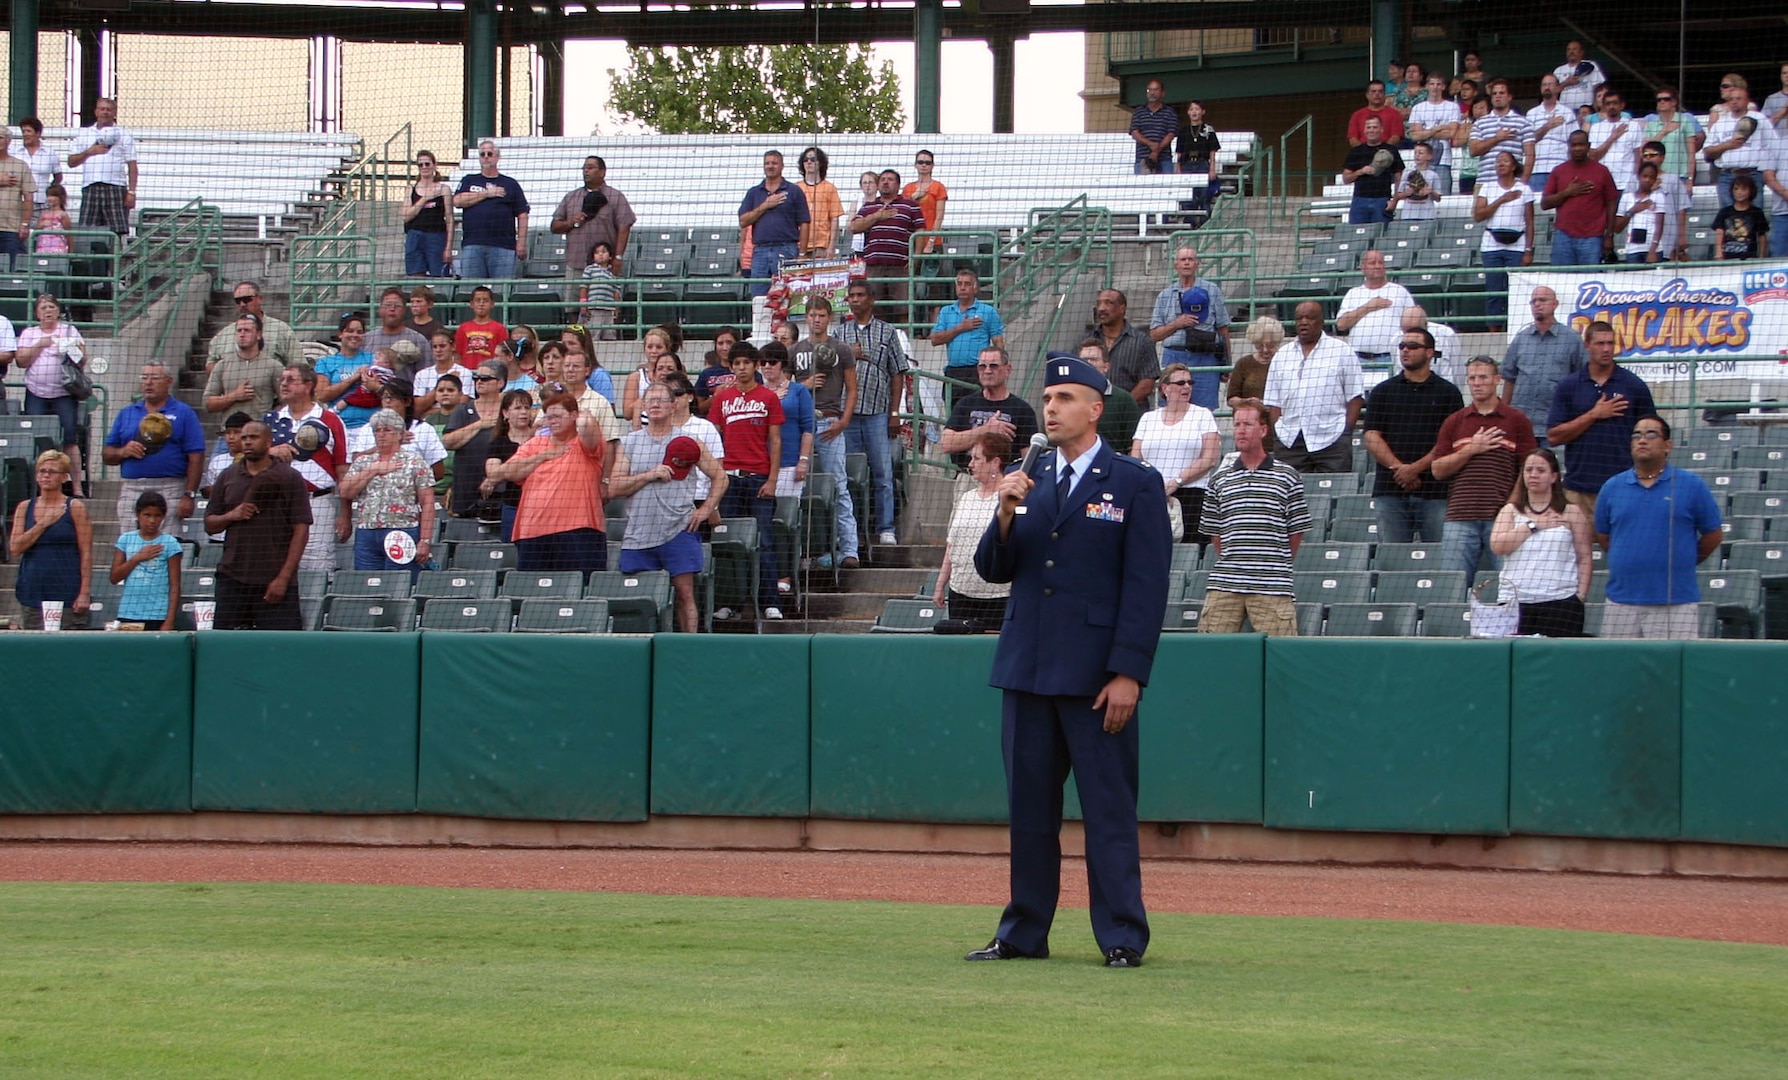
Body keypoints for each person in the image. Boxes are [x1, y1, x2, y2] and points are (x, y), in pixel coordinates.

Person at [965, 355, 1171, 970]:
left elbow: (1146, 587)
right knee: (1029, 815)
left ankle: (1123, 936)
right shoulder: (1030, 478)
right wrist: (1002, 513)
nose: (1050, 408)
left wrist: (1129, 672)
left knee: (1107, 810)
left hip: (1096, 678)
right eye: (1048, 397)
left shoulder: (1134, 482)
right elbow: (993, 571)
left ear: (1095, 408)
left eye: (1064, 397)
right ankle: (1023, 932)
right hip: (1027, 671)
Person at [611, 383, 727, 632]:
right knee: (638, 599)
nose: (654, 404)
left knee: (685, 595)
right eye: (650, 400)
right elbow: (615, 487)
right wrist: (649, 475)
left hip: (678, 530)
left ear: (673, 405)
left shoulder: (689, 441)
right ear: (643, 406)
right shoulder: (630, 442)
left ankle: (690, 650)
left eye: (661, 400)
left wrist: (706, 509)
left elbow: (721, 477)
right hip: (638, 535)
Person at [1593, 416, 1723, 639]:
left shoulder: (1691, 485)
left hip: (1675, 602)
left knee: (1671, 671)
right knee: (1618, 670)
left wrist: (1682, 559)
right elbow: (1603, 536)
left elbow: (1713, 535)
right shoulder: (1612, 487)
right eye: (1637, 435)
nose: (1642, 440)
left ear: (1667, 446)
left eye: (1651, 434)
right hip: (1621, 602)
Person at [1198, 399, 1312, 636]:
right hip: (1225, 584)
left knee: (1280, 656)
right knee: (1210, 655)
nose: (1240, 429)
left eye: (1247, 424)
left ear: (1263, 429)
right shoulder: (1219, 480)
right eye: (1237, 424)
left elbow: (1296, 530)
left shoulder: (1287, 476)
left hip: (1273, 585)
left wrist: (1274, 565)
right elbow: (1214, 531)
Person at [1430, 356, 1537, 580]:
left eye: (1483, 377)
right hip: (1459, 517)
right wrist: (1471, 449)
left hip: (1502, 518)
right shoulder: (1455, 421)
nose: (1477, 383)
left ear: (1497, 379)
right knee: (1453, 586)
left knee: (1509, 583)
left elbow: (1528, 468)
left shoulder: (1517, 420)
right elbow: (1437, 470)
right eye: (1472, 378)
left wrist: (1511, 507)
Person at [202, 420, 310, 631]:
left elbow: (301, 529)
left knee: (281, 649)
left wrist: (284, 577)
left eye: (253, 437)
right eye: (244, 438)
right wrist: (232, 515)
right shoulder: (227, 476)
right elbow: (210, 524)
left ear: (269, 441)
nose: (247, 442)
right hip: (233, 577)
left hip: (273, 579)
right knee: (226, 648)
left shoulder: (290, 477)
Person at [1547, 321, 1657, 519]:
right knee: (1578, 550)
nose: (1606, 349)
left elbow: (1653, 434)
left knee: (1621, 549)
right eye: (1600, 343)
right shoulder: (1569, 386)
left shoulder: (1634, 386)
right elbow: (1554, 436)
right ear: (1587, 345)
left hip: (1624, 488)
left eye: (1610, 343)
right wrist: (1594, 414)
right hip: (1578, 490)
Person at [1362, 328, 1461, 545]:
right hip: (1389, 490)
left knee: (1438, 561)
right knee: (1393, 561)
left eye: (1413, 346)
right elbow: (1371, 436)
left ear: (1430, 352)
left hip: (1435, 492)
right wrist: (1400, 468)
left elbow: (1450, 442)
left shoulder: (1449, 393)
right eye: (1402, 346)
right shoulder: (1382, 391)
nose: (1405, 350)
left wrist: (1414, 469)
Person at [490, 391, 607, 573]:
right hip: (532, 531)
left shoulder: (584, 444)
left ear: (574, 416)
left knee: (577, 588)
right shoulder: (535, 444)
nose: (552, 421)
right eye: (549, 417)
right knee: (532, 593)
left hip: (578, 529)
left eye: (558, 416)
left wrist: (577, 411)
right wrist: (542, 456)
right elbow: (506, 472)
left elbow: (587, 425)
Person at [710, 342, 786, 619]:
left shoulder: (768, 398)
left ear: (755, 365)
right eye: (737, 363)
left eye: (746, 363)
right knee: (728, 542)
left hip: (759, 479)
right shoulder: (721, 399)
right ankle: (728, 602)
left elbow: (776, 440)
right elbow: (714, 439)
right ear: (731, 367)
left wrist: (773, 479)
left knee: (765, 541)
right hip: (729, 480)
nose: (742, 368)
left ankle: (771, 602)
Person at [1489, 448, 1591, 637]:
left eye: (1540, 470)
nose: (1533, 475)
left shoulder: (1571, 512)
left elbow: (1584, 556)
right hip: (1515, 602)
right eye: (1528, 470)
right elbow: (1497, 546)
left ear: (1553, 476)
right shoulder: (1510, 511)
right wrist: (1533, 525)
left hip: (1561, 603)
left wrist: (1580, 596)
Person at [791, 295, 860, 569]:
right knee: (797, 488)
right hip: (801, 425)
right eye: (812, 314)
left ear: (828, 318)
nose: (816, 319)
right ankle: (800, 552)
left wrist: (844, 421)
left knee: (838, 485)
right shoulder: (794, 350)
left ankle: (850, 549)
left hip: (830, 422)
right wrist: (804, 384)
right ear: (806, 317)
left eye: (821, 315)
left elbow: (852, 388)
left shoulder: (841, 349)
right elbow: (783, 389)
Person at [836, 279, 906, 546]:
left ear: (871, 299)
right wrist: (849, 355)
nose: (855, 299)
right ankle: (853, 531)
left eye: (860, 295)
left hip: (878, 412)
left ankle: (885, 527)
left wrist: (895, 412)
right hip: (847, 415)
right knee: (851, 476)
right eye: (851, 295)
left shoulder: (887, 332)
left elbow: (897, 373)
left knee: (883, 474)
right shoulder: (840, 335)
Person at [263, 362, 349, 570]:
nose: (284, 384)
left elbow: (342, 469)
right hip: (276, 503)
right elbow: (248, 459)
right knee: (275, 565)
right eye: (281, 380)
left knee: (317, 566)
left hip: (316, 504)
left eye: (290, 379)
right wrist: (269, 452)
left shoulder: (331, 420)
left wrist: (345, 514)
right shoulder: (269, 421)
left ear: (309, 385)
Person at [102, 360, 205, 533]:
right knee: (130, 545)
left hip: (171, 488)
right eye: (145, 377)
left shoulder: (184, 412)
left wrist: (189, 494)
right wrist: (123, 451)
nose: (148, 382)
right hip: (132, 487)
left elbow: (196, 456)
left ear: (169, 381)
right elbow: (107, 454)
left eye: (155, 378)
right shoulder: (127, 413)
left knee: (167, 546)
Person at [1263, 301, 1364, 474]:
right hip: (1290, 441)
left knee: (1335, 493)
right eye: (1299, 318)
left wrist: (1345, 431)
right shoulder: (1282, 356)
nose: (1303, 322)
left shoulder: (1342, 351)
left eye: (1309, 318)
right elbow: (1273, 402)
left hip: (1332, 439)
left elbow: (1355, 397)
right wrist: (1279, 430)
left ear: (1321, 321)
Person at [1129, 360, 1219, 546]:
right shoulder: (1148, 418)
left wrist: (1176, 482)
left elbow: (1209, 459)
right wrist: (1155, 485)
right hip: (1153, 494)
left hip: (1193, 496)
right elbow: (1135, 458)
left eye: (1189, 383)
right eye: (1180, 383)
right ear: (1165, 388)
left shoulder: (1203, 415)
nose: (1186, 387)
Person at [338, 407, 435, 576]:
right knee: (366, 584)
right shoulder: (363, 462)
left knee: (399, 583)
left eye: (387, 430)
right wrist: (374, 469)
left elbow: (427, 503)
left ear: (399, 434)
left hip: (402, 531)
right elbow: (345, 492)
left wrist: (425, 540)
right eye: (377, 430)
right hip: (367, 532)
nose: (381, 434)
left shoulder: (414, 462)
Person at [932, 431, 1012, 630]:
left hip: (999, 597)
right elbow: (952, 544)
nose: (971, 464)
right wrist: (940, 584)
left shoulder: (1010, 498)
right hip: (960, 593)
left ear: (995, 463)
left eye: (976, 459)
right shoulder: (966, 498)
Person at [9, 450, 91, 629]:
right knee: (34, 648)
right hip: (32, 590)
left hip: (66, 590)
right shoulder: (24, 507)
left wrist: (84, 592)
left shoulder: (75, 507)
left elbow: (86, 553)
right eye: (42, 471)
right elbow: (15, 548)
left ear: (64, 477)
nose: (46, 475)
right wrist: (44, 523)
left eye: (52, 472)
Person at [1149, 246, 1230, 411]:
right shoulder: (1164, 296)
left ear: (1197, 264)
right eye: (1183, 259)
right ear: (1175, 265)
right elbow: (1154, 335)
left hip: (1206, 358)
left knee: (1205, 411)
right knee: (1171, 409)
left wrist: (1227, 363)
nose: (1186, 263)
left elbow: (1223, 330)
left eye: (1190, 259)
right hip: (1174, 358)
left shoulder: (1212, 291)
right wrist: (1177, 324)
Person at [1500, 287, 1583, 445]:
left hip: (1556, 425)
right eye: (1533, 301)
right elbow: (1509, 378)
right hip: (1522, 425)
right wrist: (1504, 416)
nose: (1537, 304)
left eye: (1542, 300)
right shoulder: (1521, 338)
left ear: (1555, 304)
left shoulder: (1572, 339)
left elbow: (1581, 380)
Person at [16, 293, 88, 470]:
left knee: (70, 439)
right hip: (36, 393)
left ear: (58, 311)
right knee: (36, 437)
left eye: (51, 307)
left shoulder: (70, 331)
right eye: (43, 308)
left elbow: (83, 360)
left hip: (64, 394)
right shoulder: (29, 333)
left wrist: (70, 348)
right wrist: (40, 344)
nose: (48, 311)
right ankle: (37, 484)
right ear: (37, 314)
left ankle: (76, 486)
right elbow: (21, 361)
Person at [938, 346, 1038, 471]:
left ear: (1007, 370)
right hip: (969, 477)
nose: (987, 371)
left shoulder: (1022, 410)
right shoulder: (965, 404)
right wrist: (986, 430)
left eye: (994, 366)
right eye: (982, 366)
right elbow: (947, 444)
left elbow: (1029, 457)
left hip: (1006, 478)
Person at [850, 169, 925, 319]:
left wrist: (916, 257)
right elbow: (854, 227)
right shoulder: (868, 207)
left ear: (898, 185)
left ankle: (904, 341)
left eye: (890, 179)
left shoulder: (910, 205)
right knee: (874, 309)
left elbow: (920, 231)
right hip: (874, 267)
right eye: (882, 179)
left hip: (900, 266)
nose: (885, 182)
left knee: (903, 309)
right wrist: (877, 216)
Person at [1473, 152, 1535, 330]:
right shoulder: (1487, 188)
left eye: (1505, 161)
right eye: (1498, 161)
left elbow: (1530, 222)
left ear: (1514, 166)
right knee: (1494, 290)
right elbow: (1478, 216)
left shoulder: (1524, 189)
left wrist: (1529, 250)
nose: (1500, 164)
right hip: (1491, 245)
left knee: (1516, 290)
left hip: (1517, 245)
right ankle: (1494, 330)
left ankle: (1517, 328)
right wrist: (1502, 199)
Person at [453, 140, 529, 280]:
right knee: (472, 290)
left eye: (490, 153)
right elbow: (457, 201)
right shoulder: (469, 180)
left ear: (497, 157)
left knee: (501, 292)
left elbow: (522, 214)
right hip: (473, 244)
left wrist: (522, 241)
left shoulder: (510, 184)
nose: (486, 157)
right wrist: (487, 193)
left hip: (504, 246)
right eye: (482, 154)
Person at [442, 359, 509, 519]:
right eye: (476, 378)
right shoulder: (464, 410)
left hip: (501, 487)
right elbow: (447, 442)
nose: (479, 382)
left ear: (500, 383)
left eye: (485, 378)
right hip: (466, 486)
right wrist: (479, 425)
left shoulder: (508, 410)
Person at [550, 154, 635, 279]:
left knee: (604, 297)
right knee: (573, 298)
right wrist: (570, 222)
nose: (586, 171)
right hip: (576, 265)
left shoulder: (616, 197)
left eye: (590, 167)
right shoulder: (571, 197)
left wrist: (618, 257)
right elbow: (554, 226)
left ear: (602, 172)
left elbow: (625, 227)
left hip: (605, 266)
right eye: (584, 168)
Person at [738, 150, 809, 298]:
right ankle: (760, 322)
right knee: (758, 297)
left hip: (787, 249)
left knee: (786, 296)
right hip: (760, 252)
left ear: (782, 166)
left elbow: (804, 222)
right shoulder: (754, 193)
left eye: (774, 163)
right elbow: (743, 220)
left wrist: (802, 254)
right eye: (767, 163)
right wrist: (766, 205)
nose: (770, 166)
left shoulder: (794, 191)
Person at [1542, 131, 1619, 265]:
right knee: (1561, 281)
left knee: (1590, 280)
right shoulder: (1558, 171)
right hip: (1563, 236)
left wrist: (1609, 235)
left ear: (1588, 146)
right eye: (1573, 145)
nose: (1577, 148)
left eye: (1581, 144)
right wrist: (1567, 192)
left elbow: (1611, 203)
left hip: (1593, 237)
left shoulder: (1602, 171)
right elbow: (1545, 204)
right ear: (1568, 146)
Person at [930, 268, 1006, 404]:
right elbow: (935, 339)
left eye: (967, 284)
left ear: (976, 288)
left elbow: (998, 342)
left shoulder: (988, 311)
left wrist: (1000, 368)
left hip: (978, 371)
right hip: (954, 372)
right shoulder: (946, 311)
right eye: (959, 284)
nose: (963, 288)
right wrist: (960, 328)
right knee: (955, 415)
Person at [110, 491, 182, 631]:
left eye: (157, 516)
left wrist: (169, 621)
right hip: (128, 613)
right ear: (138, 514)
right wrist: (137, 558)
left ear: (163, 517)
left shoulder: (170, 543)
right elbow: (114, 577)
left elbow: (175, 585)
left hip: (158, 615)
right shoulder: (125, 540)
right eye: (147, 515)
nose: (152, 521)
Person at [1704, 74, 1777, 209]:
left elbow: (1772, 146)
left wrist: (1768, 172)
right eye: (1731, 99)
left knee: (1755, 218)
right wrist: (1727, 145)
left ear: (1746, 101)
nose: (1734, 102)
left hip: (1753, 175)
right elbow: (1708, 153)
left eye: (1738, 98)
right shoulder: (1720, 123)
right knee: (1728, 218)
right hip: (1727, 176)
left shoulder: (1759, 119)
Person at [66, 97, 135, 236]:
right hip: (90, 187)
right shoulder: (84, 134)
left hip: (115, 187)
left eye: (109, 110)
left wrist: (131, 192)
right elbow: (71, 162)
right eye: (102, 109)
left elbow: (132, 165)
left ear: (114, 112)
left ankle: (115, 257)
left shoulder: (124, 134)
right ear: (96, 112)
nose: (105, 112)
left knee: (117, 231)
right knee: (87, 230)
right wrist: (88, 152)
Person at [480, 389, 540, 540]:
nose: (524, 412)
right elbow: (493, 473)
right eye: (518, 408)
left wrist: (506, 471)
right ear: (505, 413)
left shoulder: (540, 438)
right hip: (512, 505)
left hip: (540, 505)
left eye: (527, 408)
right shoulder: (498, 443)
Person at [1336, 248, 1414, 366]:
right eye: (1372, 263)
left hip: (1390, 358)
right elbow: (1341, 325)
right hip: (1358, 359)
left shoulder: (1399, 291)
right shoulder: (1353, 293)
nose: (1377, 266)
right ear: (1363, 268)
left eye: (1381, 262)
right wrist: (1368, 307)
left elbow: (1413, 322)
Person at [759, 343, 814, 502]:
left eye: (772, 362)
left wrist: (803, 461)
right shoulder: (757, 393)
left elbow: (809, 428)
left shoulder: (798, 391)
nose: (767, 366)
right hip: (761, 464)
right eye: (763, 363)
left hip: (790, 462)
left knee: (786, 514)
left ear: (782, 363)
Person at [206, 282, 297, 372]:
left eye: (247, 299)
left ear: (260, 299)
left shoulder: (282, 330)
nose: (242, 304)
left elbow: (298, 365)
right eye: (238, 301)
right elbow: (210, 365)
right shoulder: (224, 335)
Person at [1092, 288, 1158, 405]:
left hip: (1130, 416)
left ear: (1122, 308)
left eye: (1108, 303)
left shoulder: (1142, 341)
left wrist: (1121, 406)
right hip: (1093, 414)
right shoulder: (1087, 341)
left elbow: (1147, 384)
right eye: (1099, 303)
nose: (1101, 308)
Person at [1408, 72, 1464, 195]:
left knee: (1442, 198)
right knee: (1419, 196)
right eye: (1432, 84)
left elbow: (1451, 133)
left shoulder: (1452, 107)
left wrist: (1425, 131)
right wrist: (1438, 128)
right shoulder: (1418, 108)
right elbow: (1414, 136)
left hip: (1443, 162)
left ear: (1443, 87)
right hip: (1422, 162)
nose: (1435, 87)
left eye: (1438, 84)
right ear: (1427, 86)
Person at [1467, 80, 1533, 183]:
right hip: (1485, 182)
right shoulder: (1480, 123)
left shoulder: (1523, 122)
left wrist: (1523, 184)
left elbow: (1530, 155)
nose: (1498, 96)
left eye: (1501, 93)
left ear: (1509, 97)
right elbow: (1473, 151)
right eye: (1494, 93)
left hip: (1513, 183)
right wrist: (1497, 138)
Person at [1079, 339, 1141, 448]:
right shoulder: (1068, 398)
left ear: (1106, 367)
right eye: (1084, 359)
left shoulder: (1124, 400)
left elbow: (1131, 446)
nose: (1088, 363)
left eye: (1094, 359)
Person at [400, 149, 453, 276]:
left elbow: (450, 219)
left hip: (436, 236)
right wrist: (424, 199)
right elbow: (406, 216)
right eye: (420, 165)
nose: (424, 167)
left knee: (438, 275)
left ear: (434, 165)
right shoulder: (411, 189)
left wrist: (448, 247)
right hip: (415, 236)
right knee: (416, 275)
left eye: (427, 164)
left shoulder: (444, 189)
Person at [1340, 117, 1403, 224]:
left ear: (1381, 129)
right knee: (1357, 236)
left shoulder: (1391, 150)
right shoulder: (1356, 151)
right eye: (1368, 127)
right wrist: (1361, 171)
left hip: (1382, 200)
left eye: (1375, 127)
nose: (1371, 130)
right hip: (1359, 200)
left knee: (1381, 236)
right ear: (1364, 130)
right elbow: (1346, 179)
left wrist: (1395, 200)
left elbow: (1399, 177)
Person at [1644, 87, 1704, 195]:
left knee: (1681, 211)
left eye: (1666, 99)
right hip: (1657, 176)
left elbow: (1691, 153)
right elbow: (1646, 149)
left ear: (1674, 102)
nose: (1662, 102)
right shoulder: (1651, 124)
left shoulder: (1685, 121)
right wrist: (1664, 131)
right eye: (1659, 100)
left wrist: (1690, 180)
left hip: (1681, 175)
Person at [1523, 74, 1575, 195]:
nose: (1547, 87)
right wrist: (1548, 125)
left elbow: (1573, 142)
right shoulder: (1531, 114)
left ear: (1557, 88)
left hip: (1560, 168)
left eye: (1550, 84)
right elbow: (1528, 140)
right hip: (1536, 170)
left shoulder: (1567, 113)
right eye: (1544, 84)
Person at [1587, 89, 1645, 194]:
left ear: (1622, 105)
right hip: (1604, 182)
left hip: (1627, 183)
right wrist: (1612, 138)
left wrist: (1635, 178)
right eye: (1608, 104)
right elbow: (1593, 157)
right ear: (1603, 106)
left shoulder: (1633, 126)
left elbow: (1638, 155)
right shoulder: (1596, 128)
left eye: (1615, 103)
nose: (1611, 106)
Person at [621, 326, 676, 429]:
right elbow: (627, 413)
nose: (653, 351)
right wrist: (647, 400)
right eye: (649, 347)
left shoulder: (675, 373)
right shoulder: (636, 377)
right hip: (641, 430)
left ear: (667, 348)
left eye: (659, 347)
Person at [1614, 162, 1670, 263]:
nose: (1647, 180)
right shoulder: (1627, 197)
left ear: (1655, 179)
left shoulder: (1658, 196)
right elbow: (1617, 228)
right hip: (1632, 249)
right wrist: (1632, 210)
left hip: (1653, 249)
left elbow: (1659, 226)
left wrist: (1653, 250)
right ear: (1638, 176)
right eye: (1644, 176)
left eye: (1651, 177)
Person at [794, 146, 845, 258]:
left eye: (813, 159)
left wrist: (831, 246)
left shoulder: (829, 188)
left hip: (821, 246)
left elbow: (834, 219)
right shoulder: (796, 188)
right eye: (806, 160)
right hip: (797, 245)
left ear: (820, 163)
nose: (809, 162)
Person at [1175, 100, 1222, 214]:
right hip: (1187, 165)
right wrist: (1178, 168)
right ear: (1188, 112)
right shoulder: (1183, 131)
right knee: (1188, 195)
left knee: (1204, 195)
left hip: (1202, 164)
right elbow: (1179, 152)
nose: (1194, 112)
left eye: (1197, 109)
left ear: (1203, 111)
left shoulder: (1208, 130)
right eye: (1191, 109)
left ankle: (1204, 222)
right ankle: (1189, 221)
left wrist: (1212, 169)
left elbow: (1212, 151)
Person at [1228, 315, 1281, 413]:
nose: (1265, 350)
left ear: (1277, 343)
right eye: (1259, 345)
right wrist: (1247, 402)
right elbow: (1231, 399)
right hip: (1250, 418)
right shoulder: (1243, 363)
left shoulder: (1284, 363)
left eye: (1270, 345)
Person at [1712, 175, 1770, 259]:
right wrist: (1718, 252)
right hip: (1728, 257)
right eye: (1736, 189)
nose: (1739, 192)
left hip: (1749, 257)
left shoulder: (1757, 212)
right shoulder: (1725, 212)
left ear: (1751, 191)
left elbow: (1762, 235)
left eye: (1743, 189)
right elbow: (1719, 232)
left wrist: (1762, 255)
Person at [453, 285, 508, 372]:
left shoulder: (499, 328)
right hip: (467, 373)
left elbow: (503, 355)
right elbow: (458, 355)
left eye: (485, 301)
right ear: (472, 304)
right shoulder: (463, 328)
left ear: (492, 304)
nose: (481, 304)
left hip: (490, 373)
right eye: (478, 300)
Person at [15, 117, 61, 221]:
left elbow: (58, 176)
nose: (25, 134)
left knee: (41, 234)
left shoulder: (49, 153)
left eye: (29, 131)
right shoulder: (15, 152)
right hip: (19, 202)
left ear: (38, 133)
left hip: (42, 202)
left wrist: (48, 192)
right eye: (23, 131)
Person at [903, 149, 947, 254]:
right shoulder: (908, 188)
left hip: (932, 241)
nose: (924, 165)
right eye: (920, 162)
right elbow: (903, 212)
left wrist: (931, 242)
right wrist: (913, 197)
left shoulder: (938, 187)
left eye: (927, 162)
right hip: (912, 240)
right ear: (915, 165)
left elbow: (939, 217)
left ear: (932, 166)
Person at [1129, 79, 1178, 174]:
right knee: (1142, 188)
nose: (1152, 93)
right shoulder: (1139, 112)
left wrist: (1156, 152)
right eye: (1149, 90)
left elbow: (1171, 134)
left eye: (1155, 90)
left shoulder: (1170, 112)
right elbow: (1134, 132)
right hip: (1142, 159)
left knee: (1166, 188)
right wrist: (1150, 144)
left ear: (1162, 93)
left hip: (1164, 159)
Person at [0, 134, 36, 260]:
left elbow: (28, 198)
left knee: (12, 268)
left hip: (11, 228)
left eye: (1, 137)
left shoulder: (20, 166)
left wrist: (25, 224)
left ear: (8, 141)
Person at [1387, 142, 1441, 223]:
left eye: (1421, 153)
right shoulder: (1407, 173)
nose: (1417, 155)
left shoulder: (1433, 175)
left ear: (1429, 156)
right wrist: (1407, 193)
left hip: (1427, 215)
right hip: (1408, 215)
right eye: (1415, 152)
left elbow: (1438, 198)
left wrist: (1431, 192)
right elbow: (1398, 195)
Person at [578, 241, 622, 335]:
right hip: (594, 308)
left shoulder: (612, 273)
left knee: (609, 335)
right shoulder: (589, 269)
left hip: (609, 310)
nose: (600, 254)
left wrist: (616, 308)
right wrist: (583, 305)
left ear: (610, 256)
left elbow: (616, 292)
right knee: (594, 334)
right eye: (597, 252)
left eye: (603, 251)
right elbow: (583, 288)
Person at [1553, 40, 1605, 116]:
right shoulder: (1559, 70)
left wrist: (1596, 105)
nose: (1571, 52)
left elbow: (1598, 87)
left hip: (1586, 110)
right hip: (1566, 111)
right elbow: (1552, 91)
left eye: (1574, 49)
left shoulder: (1590, 65)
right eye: (1569, 49)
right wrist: (1566, 83)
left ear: (1581, 52)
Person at [1347, 80, 1406, 146]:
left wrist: (1382, 150)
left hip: (1387, 152)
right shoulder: (1357, 115)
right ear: (1367, 95)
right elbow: (1352, 139)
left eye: (1380, 91)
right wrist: (1365, 151)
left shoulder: (1395, 114)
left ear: (1384, 95)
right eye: (1373, 91)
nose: (1377, 94)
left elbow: (1396, 137)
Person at [33, 185, 71, 253]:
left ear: (61, 197)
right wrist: (42, 224)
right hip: (42, 248)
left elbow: (69, 235)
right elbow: (36, 231)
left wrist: (70, 251)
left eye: (53, 196)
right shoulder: (43, 214)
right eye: (48, 196)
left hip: (58, 249)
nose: (50, 198)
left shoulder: (63, 215)